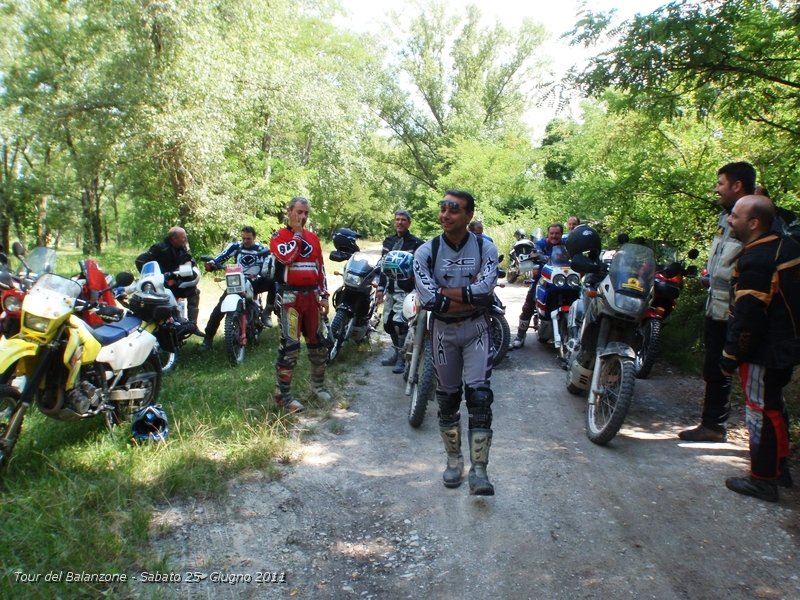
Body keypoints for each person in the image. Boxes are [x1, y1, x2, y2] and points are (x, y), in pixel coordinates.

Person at [414, 189, 499, 495]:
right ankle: (454, 462)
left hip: (477, 330)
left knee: (480, 399)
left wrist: (446, 292)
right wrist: (469, 294)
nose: (445, 215)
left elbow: (486, 290)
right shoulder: (426, 252)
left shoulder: (486, 249)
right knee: (448, 399)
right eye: (443, 208)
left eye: (454, 210)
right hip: (442, 334)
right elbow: (430, 301)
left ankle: (479, 471)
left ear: (469, 215)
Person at [720, 195, 799, 501]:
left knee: (760, 411)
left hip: (764, 351)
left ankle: (763, 479)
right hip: (785, 346)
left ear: (754, 223)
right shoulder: (786, 246)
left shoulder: (758, 258)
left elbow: (748, 317)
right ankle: (780, 469)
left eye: (735, 216)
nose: (729, 220)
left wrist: (730, 355)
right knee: (774, 407)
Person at [679, 162, 756, 442]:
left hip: (740, 312)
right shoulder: (726, 217)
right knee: (714, 367)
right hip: (717, 307)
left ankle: (769, 456)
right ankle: (712, 425)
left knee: (753, 381)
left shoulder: (755, 218)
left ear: (737, 185)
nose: (716, 188)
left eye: (721, 183)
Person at [269, 197, 330, 413]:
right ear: (289, 212)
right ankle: (283, 396)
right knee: (290, 348)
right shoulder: (279, 236)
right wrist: (296, 234)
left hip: (312, 298)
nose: (302, 217)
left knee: (318, 344)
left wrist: (324, 295)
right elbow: (286, 257)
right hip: (290, 300)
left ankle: (318, 386)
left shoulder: (313, 237)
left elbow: (320, 268)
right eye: (299, 212)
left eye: (306, 213)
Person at [199, 226, 275, 351]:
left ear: (254, 237)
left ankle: (267, 312)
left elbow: (267, 266)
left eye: (248, 238)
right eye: (243, 238)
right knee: (218, 310)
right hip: (236, 281)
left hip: (255, 282)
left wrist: (259, 274)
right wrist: (213, 264)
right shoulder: (236, 247)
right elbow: (221, 256)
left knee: (273, 282)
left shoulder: (261, 249)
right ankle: (208, 339)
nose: (245, 241)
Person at [377, 209, 424, 373]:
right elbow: (382, 266)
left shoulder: (416, 243)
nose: (400, 222)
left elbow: (420, 268)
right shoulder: (388, 241)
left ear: (409, 223)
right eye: (397, 219)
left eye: (404, 220)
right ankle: (396, 352)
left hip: (406, 290)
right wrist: (380, 288)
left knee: (400, 324)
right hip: (390, 289)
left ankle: (401, 359)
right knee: (388, 324)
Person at [510, 222, 564, 349]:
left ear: (561, 234)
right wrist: (539, 257)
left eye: (557, 233)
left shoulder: (565, 245)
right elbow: (536, 254)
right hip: (543, 278)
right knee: (529, 304)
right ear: (548, 234)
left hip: (562, 279)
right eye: (552, 233)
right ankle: (520, 335)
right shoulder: (540, 244)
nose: (554, 236)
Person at [136, 226, 200, 332]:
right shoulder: (159, 248)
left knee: (194, 292)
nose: (185, 239)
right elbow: (140, 261)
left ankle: (192, 326)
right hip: (161, 284)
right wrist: (160, 277)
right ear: (174, 239)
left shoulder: (183, 246)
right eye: (183, 237)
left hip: (176, 281)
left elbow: (189, 258)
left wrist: (190, 263)